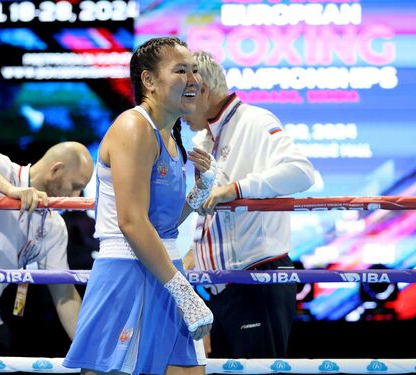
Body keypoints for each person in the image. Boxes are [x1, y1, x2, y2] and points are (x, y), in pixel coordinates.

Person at [64, 37, 215, 375]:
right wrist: (183, 291)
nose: (193, 79)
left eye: (194, 70)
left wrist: (199, 191)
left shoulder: (171, 136)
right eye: (180, 70)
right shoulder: (134, 127)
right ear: (149, 81)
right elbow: (131, 222)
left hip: (164, 267)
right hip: (129, 272)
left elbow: (161, 223)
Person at [182, 51, 315, 359]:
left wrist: (237, 189)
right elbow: (211, 212)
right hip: (219, 288)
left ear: (201, 89)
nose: (179, 107)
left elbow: (302, 171)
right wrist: (192, 255)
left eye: (183, 94)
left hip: (257, 280)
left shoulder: (255, 120)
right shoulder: (203, 139)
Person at [0, 142, 94, 369]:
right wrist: (10, 191)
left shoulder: (54, 226)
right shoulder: (3, 170)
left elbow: (64, 295)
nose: (76, 197)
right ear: (55, 170)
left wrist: (91, 353)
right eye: (75, 186)